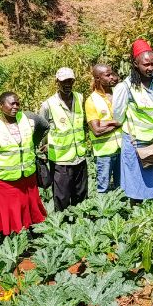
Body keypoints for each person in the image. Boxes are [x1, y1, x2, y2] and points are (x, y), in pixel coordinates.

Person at [0, 92, 48, 235]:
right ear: (1, 106)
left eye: (18, 103)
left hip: (28, 176)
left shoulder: (28, 118)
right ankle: (12, 238)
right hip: (6, 180)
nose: (16, 107)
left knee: (31, 208)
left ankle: (34, 235)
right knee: (10, 212)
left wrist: (33, 143)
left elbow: (44, 125)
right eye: (11, 103)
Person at [113, 39, 153, 201]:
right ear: (135, 64)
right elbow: (118, 117)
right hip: (136, 144)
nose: (150, 68)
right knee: (138, 187)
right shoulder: (124, 88)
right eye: (146, 65)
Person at [39, 68, 88, 211]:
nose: (68, 84)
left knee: (81, 195)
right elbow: (42, 129)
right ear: (57, 82)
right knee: (62, 197)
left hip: (80, 157)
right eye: (64, 81)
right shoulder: (48, 105)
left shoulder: (80, 98)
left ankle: (81, 224)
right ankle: (64, 226)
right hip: (61, 160)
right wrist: (45, 146)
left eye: (70, 81)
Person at [85, 64, 123, 193]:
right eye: (108, 75)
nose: (112, 77)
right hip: (104, 153)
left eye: (112, 74)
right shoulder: (91, 101)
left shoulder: (118, 94)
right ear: (97, 79)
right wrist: (116, 123)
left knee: (122, 186)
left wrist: (107, 123)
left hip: (122, 148)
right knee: (103, 188)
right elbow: (96, 131)